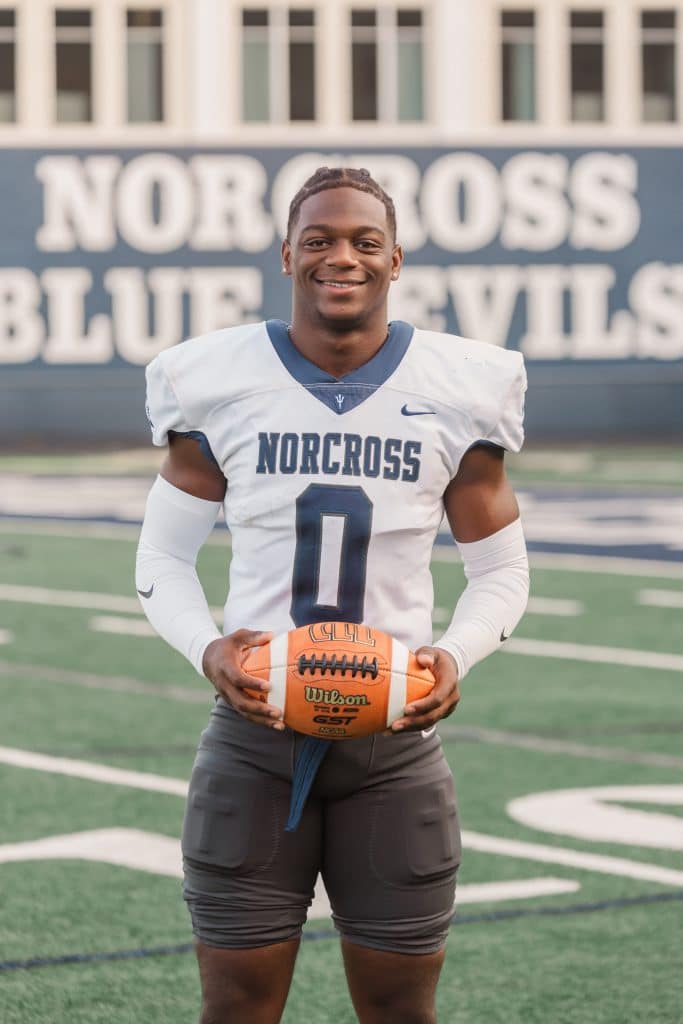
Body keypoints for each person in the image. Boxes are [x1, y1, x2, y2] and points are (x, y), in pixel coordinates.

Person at [136, 167, 529, 1024]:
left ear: (395, 261)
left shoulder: (460, 384)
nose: (339, 256)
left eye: (363, 241)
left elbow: (500, 571)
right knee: (234, 1009)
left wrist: (450, 657)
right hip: (253, 741)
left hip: (394, 747)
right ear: (287, 254)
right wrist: (208, 648)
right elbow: (161, 559)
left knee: (400, 1011)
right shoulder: (214, 377)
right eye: (318, 240)